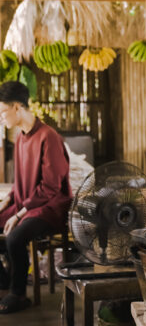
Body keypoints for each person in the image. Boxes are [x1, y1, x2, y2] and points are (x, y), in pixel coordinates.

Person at [0, 81, 72, 313]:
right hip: (26, 203)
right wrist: (8, 201)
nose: (1, 118)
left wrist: (18, 215)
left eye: (3, 112)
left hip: (50, 208)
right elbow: (21, 182)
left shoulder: (48, 137)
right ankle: (4, 282)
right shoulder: (21, 137)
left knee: (14, 238)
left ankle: (18, 294)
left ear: (17, 108)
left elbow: (50, 188)